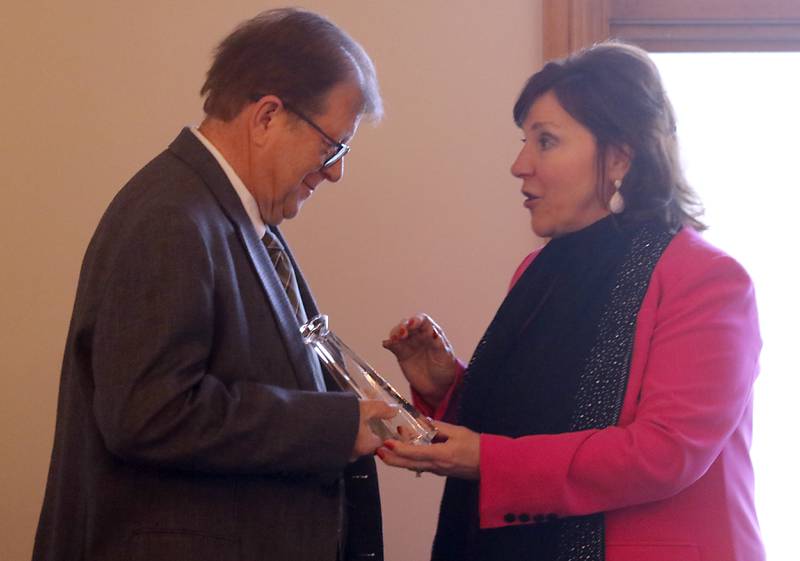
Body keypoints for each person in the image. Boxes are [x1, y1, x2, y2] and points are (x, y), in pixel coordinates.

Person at [32, 8, 396, 561]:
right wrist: (333, 425)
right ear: (268, 116)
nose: (335, 172)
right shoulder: (171, 219)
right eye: (332, 147)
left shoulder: (221, 214)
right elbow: (150, 413)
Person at [379, 41, 764, 561]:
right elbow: (529, 420)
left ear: (620, 155)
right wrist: (447, 388)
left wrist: (488, 462)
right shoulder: (538, 269)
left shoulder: (708, 279)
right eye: (524, 141)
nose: (520, 165)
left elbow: (666, 452)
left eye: (546, 141)